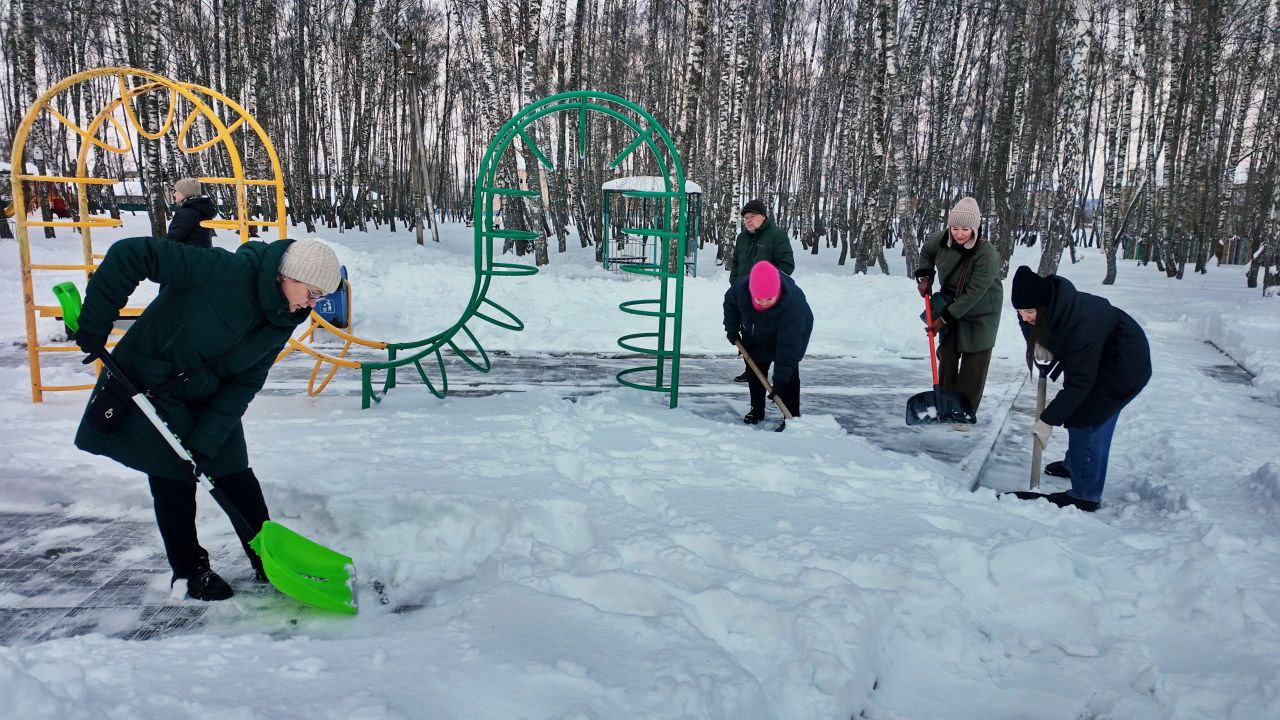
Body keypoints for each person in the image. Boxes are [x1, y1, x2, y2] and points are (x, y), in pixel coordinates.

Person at [73, 236, 341, 600]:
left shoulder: (283, 318)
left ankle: (268, 559)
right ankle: (189, 572)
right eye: (310, 292)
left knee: (235, 473)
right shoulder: (222, 270)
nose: (312, 304)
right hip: (154, 382)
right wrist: (96, 321)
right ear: (285, 276)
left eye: (319, 297)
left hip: (210, 394)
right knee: (173, 475)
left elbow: (245, 380)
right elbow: (132, 254)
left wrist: (205, 443)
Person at [1006, 266, 1151, 512]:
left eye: (1029, 312)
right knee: (1076, 411)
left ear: (1043, 306)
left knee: (1089, 418)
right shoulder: (1050, 305)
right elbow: (1028, 324)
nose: (1024, 318)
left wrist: (1046, 420)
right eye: (1019, 312)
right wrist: (1037, 341)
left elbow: (1080, 384)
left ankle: (1086, 494)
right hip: (1100, 355)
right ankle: (1076, 463)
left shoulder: (1080, 323)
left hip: (1123, 364)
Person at [913, 196, 1003, 416]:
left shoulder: (987, 254)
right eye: (955, 228)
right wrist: (925, 276)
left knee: (974, 362)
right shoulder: (942, 239)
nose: (959, 233)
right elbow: (927, 252)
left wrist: (943, 320)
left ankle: (964, 410)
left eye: (965, 228)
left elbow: (973, 294)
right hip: (951, 301)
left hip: (982, 309)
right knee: (948, 355)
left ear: (975, 228)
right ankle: (945, 403)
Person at [724, 261, 813, 432]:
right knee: (754, 371)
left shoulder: (793, 305)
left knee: (788, 378)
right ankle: (757, 410)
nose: (764, 303)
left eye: (769, 299)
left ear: (777, 291)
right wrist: (732, 329)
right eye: (759, 299)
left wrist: (780, 380)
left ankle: (792, 417)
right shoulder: (740, 290)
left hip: (789, 336)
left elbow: (789, 348)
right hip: (754, 333)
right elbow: (730, 307)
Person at [729, 198, 795, 382]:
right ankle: (750, 369)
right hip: (744, 296)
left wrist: (769, 285)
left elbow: (787, 264)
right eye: (745, 217)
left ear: (763, 217)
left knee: (769, 335)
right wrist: (735, 284)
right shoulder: (742, 238)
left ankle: (776, 374)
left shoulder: (777, 235)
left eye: (752, 216)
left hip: (768, 297)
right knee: (747, 334)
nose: (748, 220)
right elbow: (735, 263)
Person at [165, 177, 217, 248]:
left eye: (176, 191)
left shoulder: (187, 213)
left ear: (185, 193)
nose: (174, 194)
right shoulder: (201, 208)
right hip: (201, 254)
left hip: (188, 256)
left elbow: (172, 240)